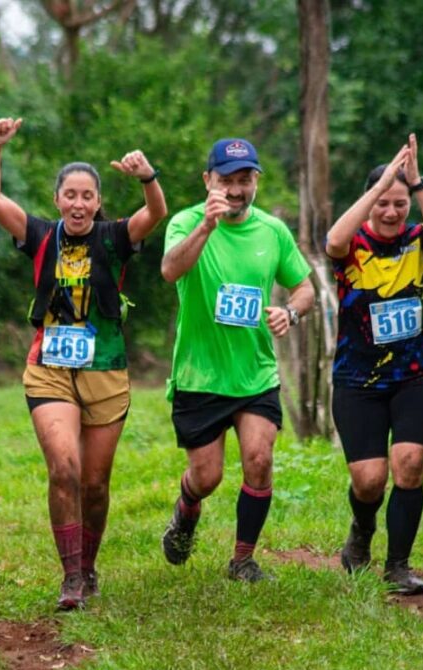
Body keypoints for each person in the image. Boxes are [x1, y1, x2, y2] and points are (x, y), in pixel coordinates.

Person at [0, 117, 167, 610]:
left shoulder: (114, 236)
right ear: (58, 199)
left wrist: (148, 178)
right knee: (64, 468)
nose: (79, 203)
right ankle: (70, 580)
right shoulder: (40, 235)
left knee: (95, 484)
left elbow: (156, 214)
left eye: (88, 195)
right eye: (71, 195)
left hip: (106, 368)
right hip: (49, 369)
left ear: (98, 201)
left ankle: (88, 566)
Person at [160, 137, 315, 582]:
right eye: (226, 180)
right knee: (206, 477)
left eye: (244, 180)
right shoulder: (186, 222)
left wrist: (290, 312)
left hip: (255, 373)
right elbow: (170, 269)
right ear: (207, 180)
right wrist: (206, 228)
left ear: (256, 182)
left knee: (259, 458)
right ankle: (186, 511)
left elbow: (304, 288)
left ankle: (242, 559)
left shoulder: (272, 231)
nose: (235, 189)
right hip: (200, 374)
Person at [325, 134, 423, 594]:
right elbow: (334, 239)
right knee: (369, 480)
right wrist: (376, 190)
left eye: (400, 203)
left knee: (410, 463)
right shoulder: (352, 248)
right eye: (384, 202)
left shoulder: (419, 242)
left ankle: (398, 565)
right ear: (371, 201)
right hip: (357, 379)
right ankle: (361, 533)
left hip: (416, 375)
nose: (392, 211)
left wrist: (417, 183)